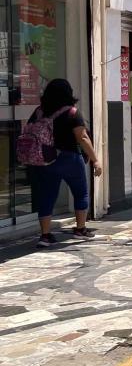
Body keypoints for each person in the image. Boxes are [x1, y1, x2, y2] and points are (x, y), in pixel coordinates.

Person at [28, 79, 101, 248]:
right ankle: (80, 229)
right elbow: (82, 137)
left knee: (46, 196)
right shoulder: (72, 113)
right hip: (69, 159)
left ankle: (45, 235)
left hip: (45, 160)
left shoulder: (39, 111)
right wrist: (96, 160)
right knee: (80, 192)